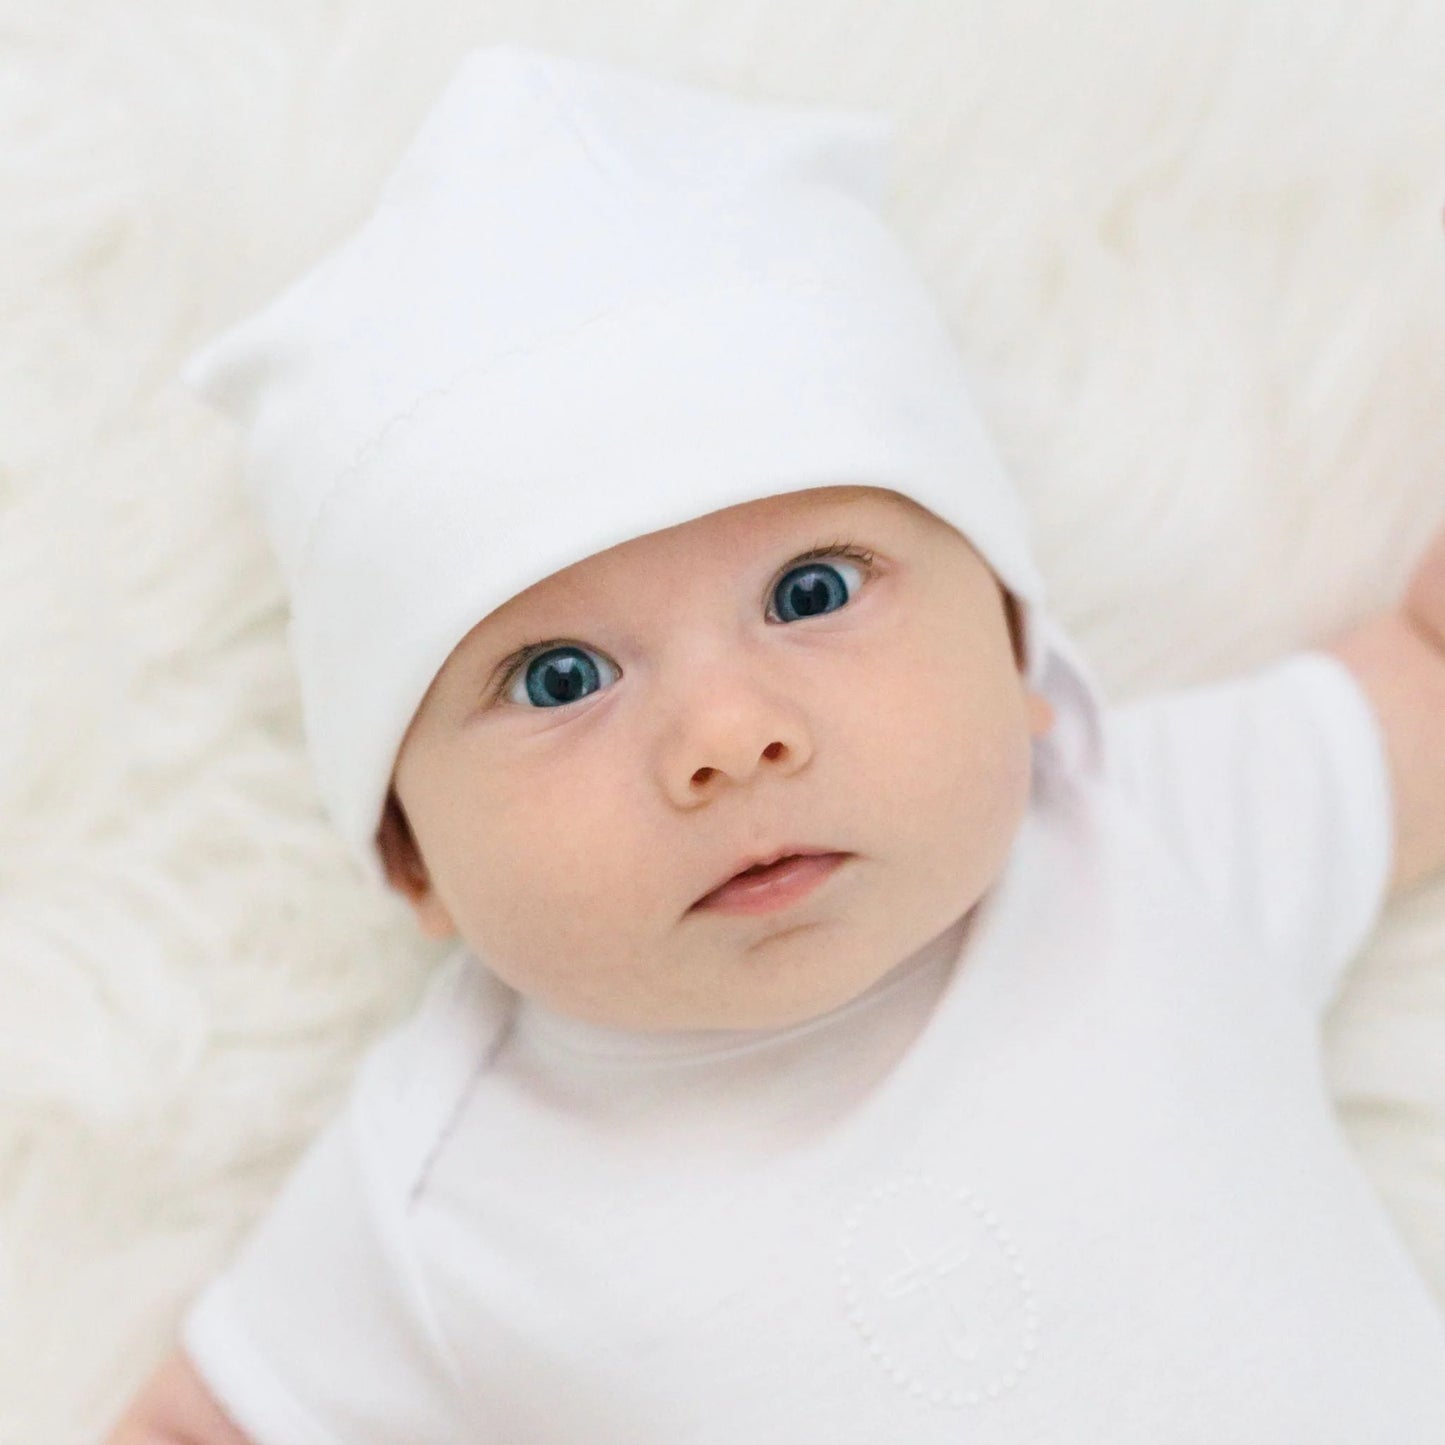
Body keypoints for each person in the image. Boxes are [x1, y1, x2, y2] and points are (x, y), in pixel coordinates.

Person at [105, 42, 1445, 1443]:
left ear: (1014, 650)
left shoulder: (1144, 836)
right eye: (558, 676)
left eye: (811, 593)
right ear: (408, 856)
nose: (727, 736)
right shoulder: (436, 1188)